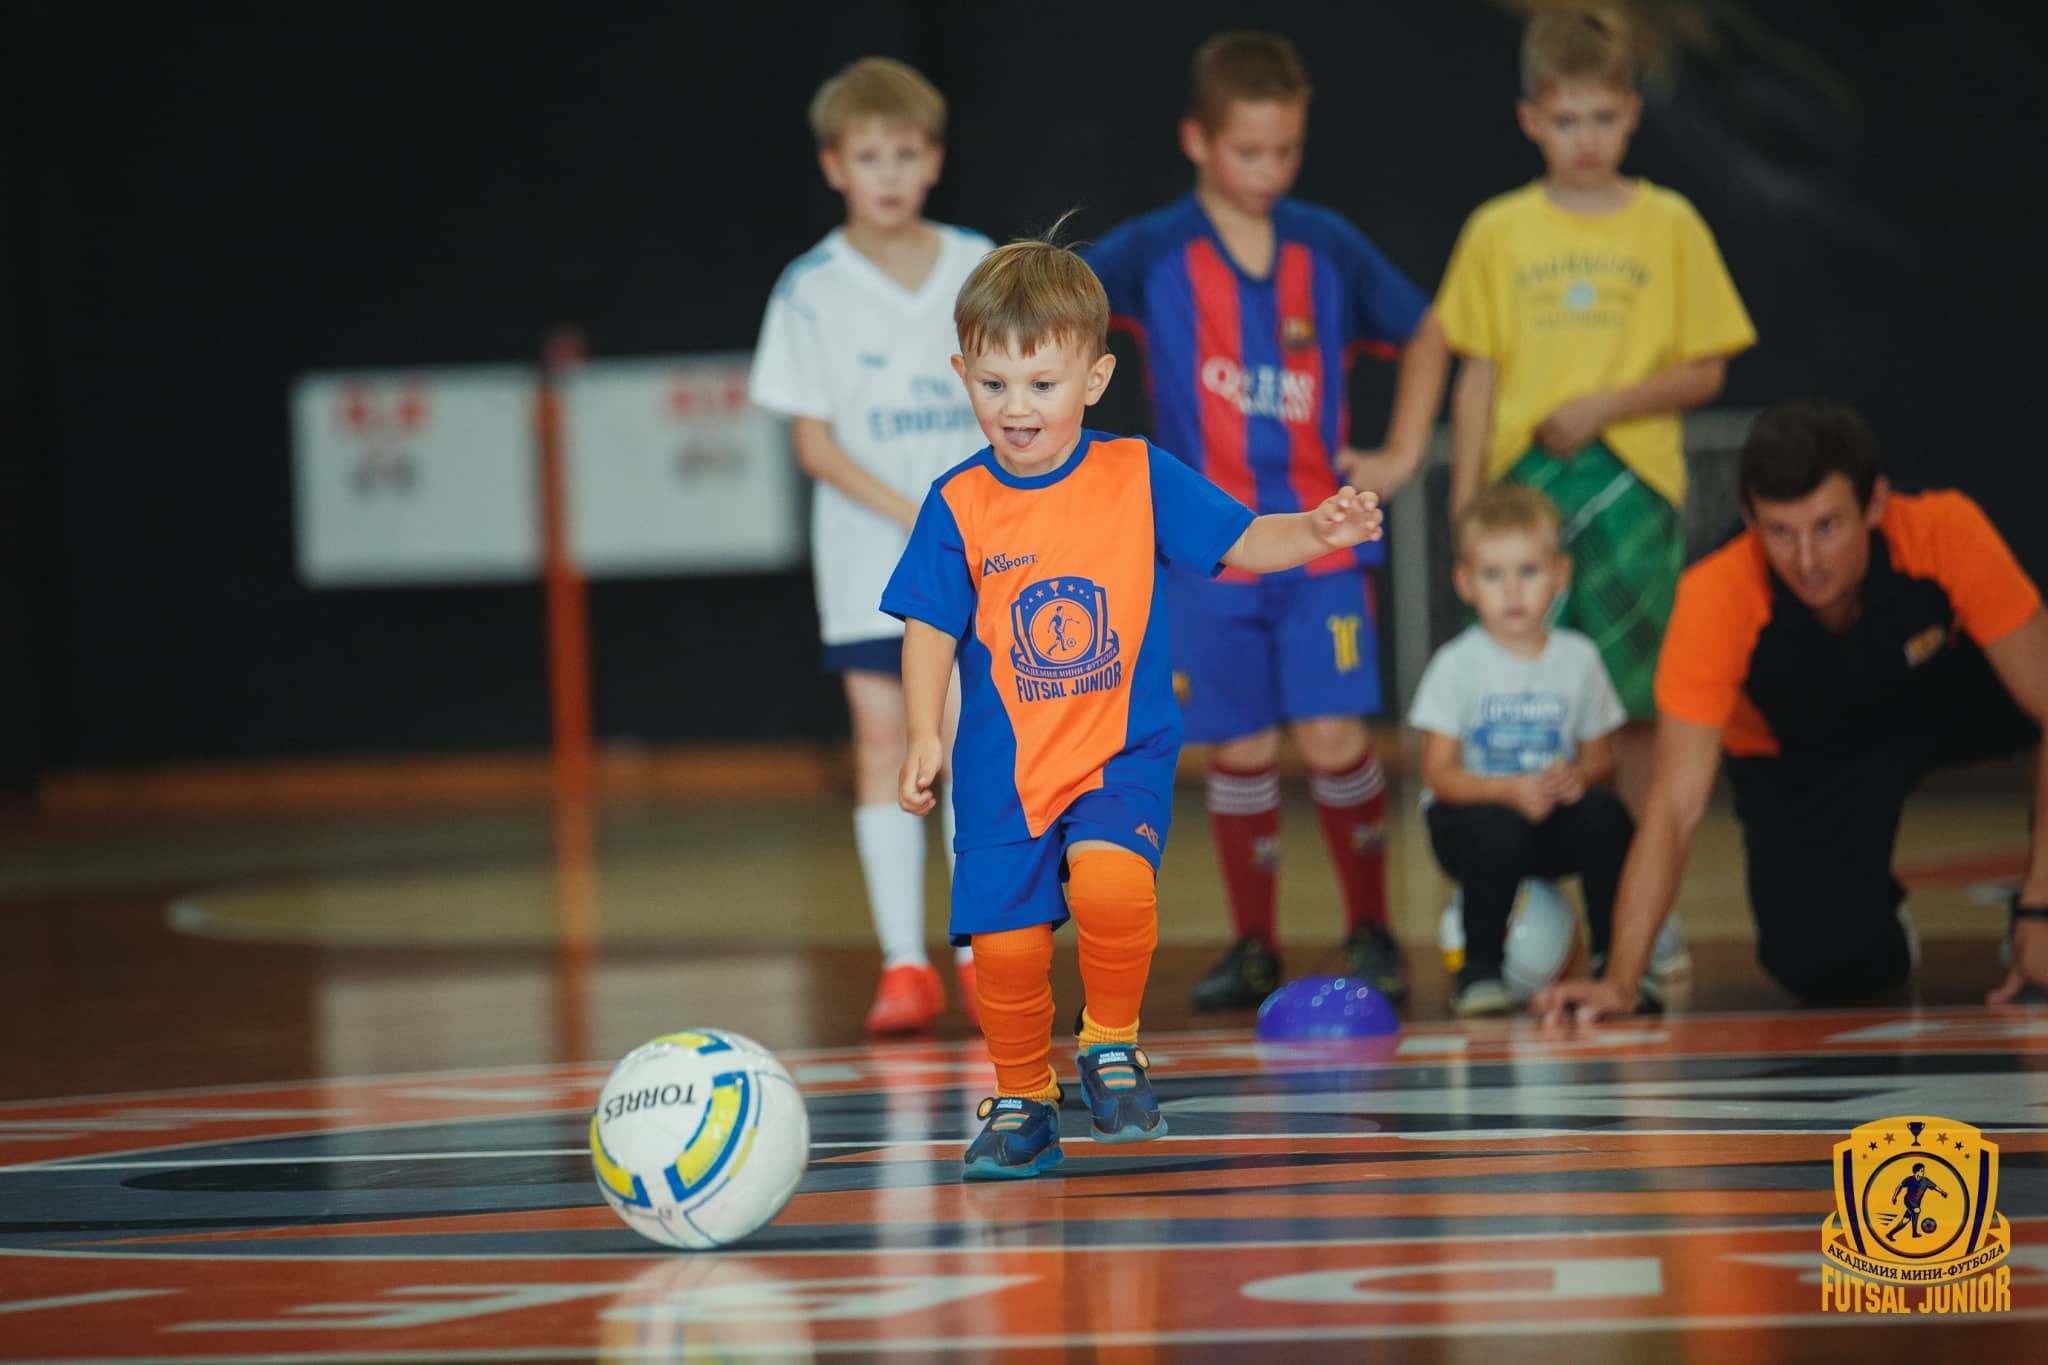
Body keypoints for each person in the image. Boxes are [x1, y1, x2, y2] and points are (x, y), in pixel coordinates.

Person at [881, 231, 1383, 1179]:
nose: (1017, 409)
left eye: (1042, 384)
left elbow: (1240, 541)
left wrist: (1315, 531)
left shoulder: (1135, 474)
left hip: (1118, 750)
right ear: (961, 373)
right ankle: (1024, 1097)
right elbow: (929, 629)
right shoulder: (957, 504)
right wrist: (919, 730)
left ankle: (1111, 1038)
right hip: (1002, 772)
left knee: (1113, 883)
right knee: (1007, 952)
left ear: (1096, 376)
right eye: (993, 385)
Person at [1082, 31, 1449, 1009]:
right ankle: (1252, 944)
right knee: (1237, 748)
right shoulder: (1151, 251)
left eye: (1285, 149)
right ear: (1195, 140)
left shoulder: (1324, 246)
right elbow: (1057, 302)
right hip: (1205, 554)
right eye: (1248, 151)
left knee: (1333, 738)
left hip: (1318, 540)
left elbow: (1426, 331)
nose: (1268, 170)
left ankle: (1369, 928)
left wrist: (1403, 452)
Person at [1537, 399, 2048, 1024]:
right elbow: (1674, 804)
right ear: (1751, 519)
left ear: (1876, 505)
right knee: (1822, 963)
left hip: (1935, 702)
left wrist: (2040, 904)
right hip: (1802, 750)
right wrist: (1621, 980)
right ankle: (1875, 919)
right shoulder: (1717, 594)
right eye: (1781, 531)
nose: (1807, 560)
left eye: (1828, 527)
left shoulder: (1947, 533)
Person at [1433, 7, 1755, 832]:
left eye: (1604, 118)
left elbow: (1709, 367)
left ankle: (1637, 886)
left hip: (1634, 487)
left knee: (1631, 701)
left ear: (1633, 113)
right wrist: (1465, 498)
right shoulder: (1497, 230)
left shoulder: (1671, 223)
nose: (1585, 138)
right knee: (1514, 687)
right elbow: (1477, 374)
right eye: (1566, 120)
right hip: (1521, 494)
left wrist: (1607, 404)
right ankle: (1513, 886)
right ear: (1531, 120)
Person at [748, 57, 991, 1034]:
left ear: (932, 159)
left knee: (973, 740)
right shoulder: (810, 289)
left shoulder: (979, 261)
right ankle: (903, 964)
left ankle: (981, 952)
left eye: (905, 153)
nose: (888, 173)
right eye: (868, 157)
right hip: (869, 561)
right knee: (886, 744)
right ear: (832, 166)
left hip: (978, 554)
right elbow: (810, 441)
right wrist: (907, 508)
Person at [1408, 485, 1634, 1015]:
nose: (1512, 591)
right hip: (1471, 822)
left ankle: (1615, 960)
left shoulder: (1579, 659)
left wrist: (1578, 779)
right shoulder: (1456, 664)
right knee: (1495, 827)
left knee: (1609, 819)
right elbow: (1440, 774)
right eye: (1493, 575)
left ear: (1561, 574)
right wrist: (1508, 791)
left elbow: (1603, 761)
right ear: (1465, 582)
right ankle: (1480, 971)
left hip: (1550, 817)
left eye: (1528, 572)